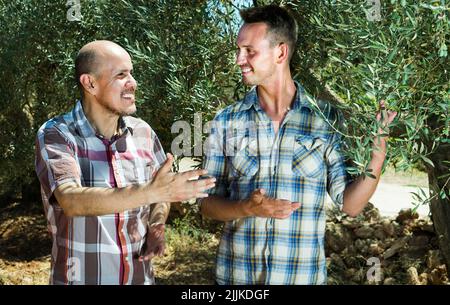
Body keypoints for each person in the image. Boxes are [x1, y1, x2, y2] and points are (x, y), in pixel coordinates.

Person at [200, 5, 397, 284]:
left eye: (249, 51)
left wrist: (379, 151)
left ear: (280, 52)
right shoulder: (226, 120)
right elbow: (207, 204)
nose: (238, 60)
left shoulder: (327, 120)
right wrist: (247, 207)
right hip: (236, 279)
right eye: (238, 50)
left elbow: (350, 205)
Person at [35, 40, 216, 285]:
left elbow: (160, 191)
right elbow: (71, 200)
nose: (133, 83)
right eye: (121, 75)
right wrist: (153, 191)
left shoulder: (144, 133)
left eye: (131, 73)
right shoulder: (57, 134)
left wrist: (156, 223)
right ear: (90, 83)